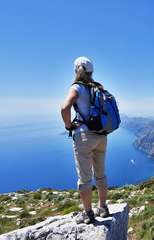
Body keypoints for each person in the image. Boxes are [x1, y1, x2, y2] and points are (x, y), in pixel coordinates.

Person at [61, 57, 109, 224]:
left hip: (84, 136)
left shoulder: (77, 87)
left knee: (84, 177)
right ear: (91, 71)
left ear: (76, 71)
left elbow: (65, 107)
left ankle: (88, 213)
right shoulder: (98, 87)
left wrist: (69, 127)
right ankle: (103, 208)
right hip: (102, 135)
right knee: (100, 174)